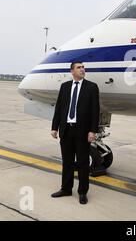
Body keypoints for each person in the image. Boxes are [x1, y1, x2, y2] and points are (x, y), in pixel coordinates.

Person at [50, 61, 100, 204]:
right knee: (67, 162)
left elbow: (95, 110)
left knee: (83, 163)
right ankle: (66, 189)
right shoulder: (64, 87)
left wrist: (93, 130)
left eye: (83, 67)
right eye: (79, 68)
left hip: (82, 131)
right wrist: (54, 127)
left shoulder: (91, 87)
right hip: (66, 130)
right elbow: (59, 109)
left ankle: (82, 192)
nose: (82, 69)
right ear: (72, 71)